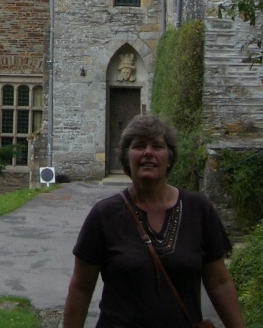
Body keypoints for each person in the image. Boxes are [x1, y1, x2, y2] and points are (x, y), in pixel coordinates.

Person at [63, 114, 245, 328]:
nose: (148, 152)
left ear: (170, 158)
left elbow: (219, 283)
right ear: (127, 158)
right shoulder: (104, 215)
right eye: (139, 146)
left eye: (157, 146)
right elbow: (81, 289)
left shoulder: (198, 209)